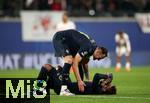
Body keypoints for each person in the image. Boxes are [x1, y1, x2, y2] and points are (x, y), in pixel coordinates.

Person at [52, 29, 108, 95]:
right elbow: (75, 63)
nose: (98, 60)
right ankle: (63, 90)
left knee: (79, 62)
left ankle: (40, 90)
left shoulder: (92, 48)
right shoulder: (88, 47)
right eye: (100, 58)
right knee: (69, 60)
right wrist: (79, 81)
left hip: (68, 43)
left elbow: (85, 63)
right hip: (61, 38)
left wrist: (87, 79)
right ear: (99, 51)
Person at [37, 64, 116, 95]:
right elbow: (97, 78)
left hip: (64, 88)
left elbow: (97, 76)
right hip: (67, 85)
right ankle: (45, 90)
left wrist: (107, 76)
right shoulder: (96, 87)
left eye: (107, 84)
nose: (106, 82)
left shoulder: (97, 89)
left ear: (105, 88)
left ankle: (38, 90)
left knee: (46, 67)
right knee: (60, 69)